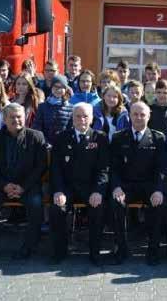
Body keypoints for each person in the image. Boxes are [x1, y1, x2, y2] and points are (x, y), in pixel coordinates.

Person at [0, 103, 47, 265]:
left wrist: (23, 187)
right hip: (2, 185)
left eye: (19, 116)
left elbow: (41, 166)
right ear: (4, 119)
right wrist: (4, 185)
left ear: (24, 118)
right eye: (12, 117)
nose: (16, 120)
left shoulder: (36, 136)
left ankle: (28, 248)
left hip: (27, 186)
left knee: (36, 205)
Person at [50, 102, 109, 264]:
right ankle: (60, 251)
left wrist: (98, 191)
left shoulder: (100, 138)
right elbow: (55, 168)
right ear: (72, 117)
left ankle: (94, 252)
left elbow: (104, 169)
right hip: (67, 187)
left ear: (91, 119)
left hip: (90, 187)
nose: (81, 119)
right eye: (78, 116)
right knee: (57, 209)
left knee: (98, 207)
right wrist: (58, 191)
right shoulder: (62, 137)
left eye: (85, 116)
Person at [110, 102, 167, 265]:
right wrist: (116, 187)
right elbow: (113, 167)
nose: (138, 117)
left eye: (142, 114)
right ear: (129, 116)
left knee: (159, 204)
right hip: (126, 186)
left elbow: (162, 168)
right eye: (135, 114)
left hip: (150, 185)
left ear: (149, 116)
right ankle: (121, 248)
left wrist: (158, 190)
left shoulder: (158, 138)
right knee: (115, 204)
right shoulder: (118, 137)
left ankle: (153, 250)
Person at [32, 74, 73, 147]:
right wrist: (44, 142)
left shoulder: (71, 108)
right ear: (51, 87)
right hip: (45, 146)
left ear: (66, 89)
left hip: (63, 146)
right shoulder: (42, 107)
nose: (58, 90)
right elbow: (37, 126)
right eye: (55, 86)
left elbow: (71, 129)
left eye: (61, 87)